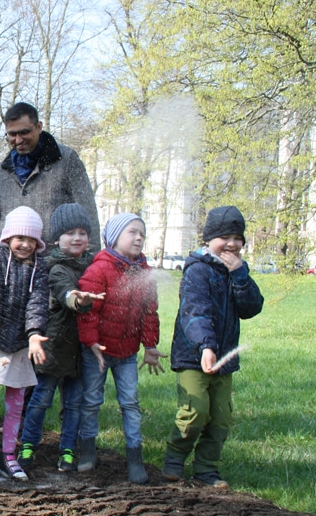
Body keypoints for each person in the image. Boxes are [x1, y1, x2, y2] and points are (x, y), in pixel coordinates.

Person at [162, 206, 263, 488]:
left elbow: (252, 307)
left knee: (220, 417)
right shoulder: (198, 270)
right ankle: (174, 459)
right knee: (195, 411)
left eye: (237, 237)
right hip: (194, 356)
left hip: (224, 360)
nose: (231, 244)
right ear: (208, 239)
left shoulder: (237, 271)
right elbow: (195, 312)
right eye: (224, 237)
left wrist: (240, 274)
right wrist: (206, 346)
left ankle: (207, 469)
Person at [77, 213, 167, 484]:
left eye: (142, 233)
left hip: (127, 353)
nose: (139, 237)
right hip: (98, 352)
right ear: (115, 237)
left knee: (130, 403)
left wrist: (150, 347)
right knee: (92, 401)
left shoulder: (145, 272)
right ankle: (87, 450)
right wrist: (91, 342)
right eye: (132, 232)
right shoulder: (99, 269)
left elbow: (150, 312)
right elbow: (88, 312)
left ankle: (134, 457)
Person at [17, 203, 104, 473]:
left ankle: (68, 450)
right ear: (57, 238)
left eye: (82, 232)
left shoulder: (93, 265)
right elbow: (66, 292)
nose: (77, 238)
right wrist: (78, 300)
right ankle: (28, 444)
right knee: (41, 399)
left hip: (81, 351)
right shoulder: (54, 267)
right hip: (53, 348)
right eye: (70, 233)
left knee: (74, 404)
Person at [0, 206, 50, 482]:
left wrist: (34, 333)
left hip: (21, 343)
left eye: (31, 240)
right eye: (20, 238)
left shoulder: (40, 266)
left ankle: (8, 456)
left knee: (16, 404)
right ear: (7, 237)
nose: (25, 244)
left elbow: (38, 302)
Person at [0, 102, 100, 249]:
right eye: (12, 134)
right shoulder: (2, 170)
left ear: (39, 127)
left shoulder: (66, 160)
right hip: (10, 264)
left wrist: (91, 262)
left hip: (56, 263)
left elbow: (87, 213)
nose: (18, 140)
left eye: (24, 132)